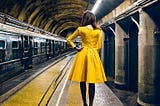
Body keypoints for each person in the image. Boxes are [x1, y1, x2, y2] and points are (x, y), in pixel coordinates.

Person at [66, 10, 107, 106]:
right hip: (93, 54)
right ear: (93, 19)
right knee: (91, 81)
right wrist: (93, 52)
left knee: (82, 80)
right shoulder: (98, 31)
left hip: (82, 54)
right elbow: (99, 46)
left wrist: (76, 48)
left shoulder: (81, 29)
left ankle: (84, 102)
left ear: (84, 19)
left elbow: (69, 39)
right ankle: (91, 103)